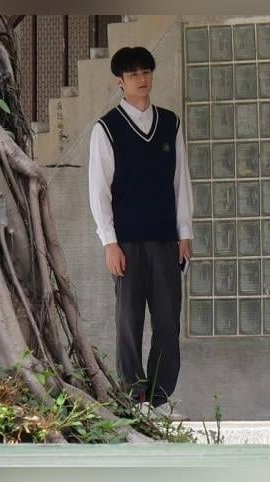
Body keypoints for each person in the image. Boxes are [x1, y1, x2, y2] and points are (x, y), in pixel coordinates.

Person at [88, 46, 193, 417]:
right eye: (133, 74)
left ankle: (161, 399)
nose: (141, 79)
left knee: (167, 322)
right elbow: (99, 190)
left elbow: (180, 182)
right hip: (127, 244)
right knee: (129, 323)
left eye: (146, 71)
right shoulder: (106, 128)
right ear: (120, 81)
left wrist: (184, 232)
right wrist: (109, 243)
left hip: (165, 239)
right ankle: (135, 398)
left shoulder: (170, 124)